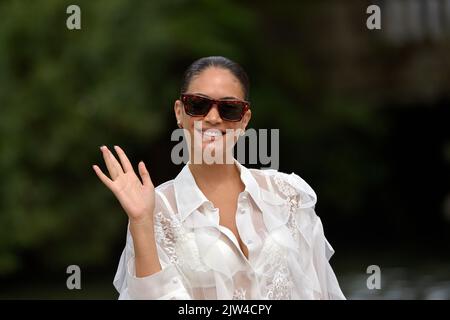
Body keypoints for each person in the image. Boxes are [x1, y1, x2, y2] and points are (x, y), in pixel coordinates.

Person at [92, 56, 346, 300]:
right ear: (180, 113)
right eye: (198, 105)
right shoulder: (154, 210)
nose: (213, 118)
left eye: (229, 108)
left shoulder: (289, 194)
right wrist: (140, 222)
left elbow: (319, 291)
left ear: (244, 119)